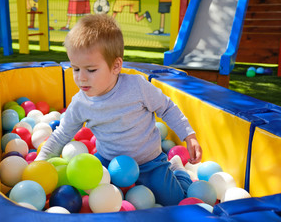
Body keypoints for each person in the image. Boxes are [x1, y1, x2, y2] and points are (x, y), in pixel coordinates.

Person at [35, 14, 202, 206]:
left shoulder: (137, 87)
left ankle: (178, 170)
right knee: (90, 200)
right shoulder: (80, 103)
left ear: (116, 66)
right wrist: (40, 162)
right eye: (75, 69)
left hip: (149, 163)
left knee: (174, 201)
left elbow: (167, 108)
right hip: (108, 164)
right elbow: (61, 135)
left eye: (90, 70)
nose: (81, 78)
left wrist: (188, 135)